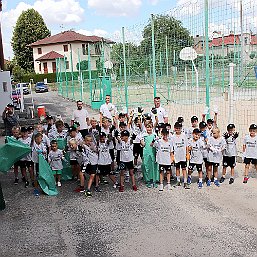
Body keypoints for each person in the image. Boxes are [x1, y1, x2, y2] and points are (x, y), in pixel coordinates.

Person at [172, 122, 190, 189]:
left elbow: (187, 146)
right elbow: (172, 147)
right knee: (177, 168)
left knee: (184, 169)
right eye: (176, 128)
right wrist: (172, 155)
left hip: (183, 156)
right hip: (177, 156)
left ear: (181, 128)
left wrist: (187, 153)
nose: (178, 129)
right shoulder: (173, 136)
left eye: (179, 128)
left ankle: (185, 182)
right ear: (174, 128)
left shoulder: (184, 135)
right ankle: (178, 181)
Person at [140, 122, 159, 188]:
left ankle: (154, 180)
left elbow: (157, 144)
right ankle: (148, 180)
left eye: (150, 127)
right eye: (148, 127)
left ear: (152, 127)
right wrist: (142, 142)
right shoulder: (143, 135)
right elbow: (142, 143)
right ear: (146, 128)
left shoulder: (155, 135)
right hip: (146, 152)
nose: (149, 128)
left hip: (153, 152)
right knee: (146, 165)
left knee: (154, 165)